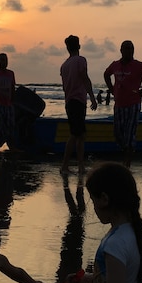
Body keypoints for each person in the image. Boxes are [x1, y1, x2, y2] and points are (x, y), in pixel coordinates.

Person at [104, 41, 142, 166]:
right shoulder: (115, 65)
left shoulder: (139, 66)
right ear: (121, 50)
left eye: (131, 49)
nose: (129, 51)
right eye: (127, 48)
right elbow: (106, 74)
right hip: (118, 105)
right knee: (118, 134)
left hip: (133, 105)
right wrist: (112, 89)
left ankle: (127, 164)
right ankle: (126, 154)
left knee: (129, 135)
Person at [60, 35, 97, 177]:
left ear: (67, 48)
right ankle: (67, 165)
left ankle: (79, 166)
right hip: (77, 101)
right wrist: (92, 97)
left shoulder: (64, 65)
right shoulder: (80, 61)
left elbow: (64, 87)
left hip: (70, 101)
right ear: (79, 46)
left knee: (79, 134)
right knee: (77, 134)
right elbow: (85, 78)